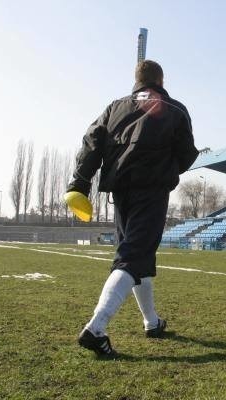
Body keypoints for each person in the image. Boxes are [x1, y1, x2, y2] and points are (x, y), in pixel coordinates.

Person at [69, 60, 198, 357]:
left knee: (139, 255)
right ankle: (96, 328)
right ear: (161, 81)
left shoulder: (115, 107)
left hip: (120, 191)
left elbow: (91, 143)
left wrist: (79, 184)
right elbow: (187, 154)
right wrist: (166, 167)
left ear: (136, 81)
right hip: (151, 189)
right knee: (132, 256)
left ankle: (151, 322)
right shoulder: (175, 109)